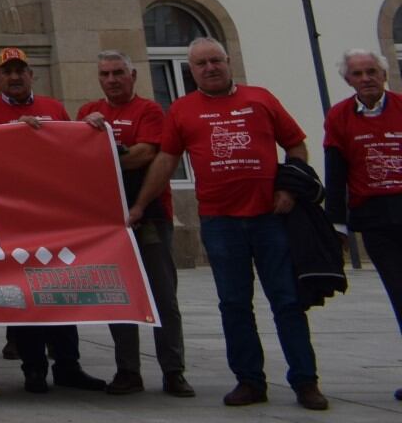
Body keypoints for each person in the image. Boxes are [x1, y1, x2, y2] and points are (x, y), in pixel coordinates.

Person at [129, 38, 323, 409]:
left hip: (269, 219)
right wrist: (139, 205)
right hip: (220, 222)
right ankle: (249, 381)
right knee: (234, 304)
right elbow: (167, 161)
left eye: (216, 60)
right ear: (191, 71)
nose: (210, 68)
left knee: (286, 301)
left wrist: (290, 188)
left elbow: (296, 145)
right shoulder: (183, 110)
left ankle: (305, 381)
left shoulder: (261, 99)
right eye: (201, 64)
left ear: (229, 62)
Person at [0, 47, 107, 394]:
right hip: (13, 219)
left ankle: (68, 365)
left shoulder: (53, 108)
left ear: (31, 74)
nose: (15, 77)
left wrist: (90, 130)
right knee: (25, 297)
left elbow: (71, 152)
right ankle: (33, 369)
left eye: (20, 70)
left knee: (61, 292)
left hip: (53, 218)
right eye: (7, 72)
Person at [79, 50, 191, 397]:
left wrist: (108, 151)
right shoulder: (88, 113)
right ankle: (128, 370)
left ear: (133, 76)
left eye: (118, 73)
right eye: (105, 74)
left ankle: (173, 371)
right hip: (108, 220)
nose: (112, 80)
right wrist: (99, 140)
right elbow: (77, 155)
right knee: (119, 296)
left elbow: (148, 154)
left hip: (150, 216)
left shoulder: (149, 110)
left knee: (162, 297)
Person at [326, 48, 402, 399]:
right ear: (348, 80)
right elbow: (336, 172)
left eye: (372, 71)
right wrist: (337, 225)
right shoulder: (340, 117)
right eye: (358, 73)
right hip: (375, 219)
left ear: (384, 74)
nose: (366, 78)